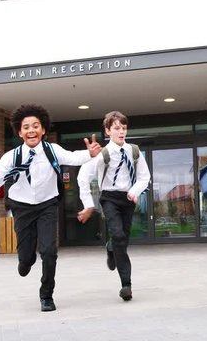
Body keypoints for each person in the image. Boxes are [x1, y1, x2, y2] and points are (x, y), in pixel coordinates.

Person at [0, 104, 101, 312]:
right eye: (26, 127)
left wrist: (89, 154)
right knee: (26, 257)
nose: (31, 130)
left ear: (43, 129)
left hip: (47, 205)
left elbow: (73, 157)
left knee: (49, 251)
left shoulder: (52, 150)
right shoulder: (11, 158)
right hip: (22, 207)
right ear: (20, 132)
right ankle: (25, 261)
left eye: (36, 126)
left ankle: (46, 295)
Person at [77, 111, 150, 301]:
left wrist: (135, 191)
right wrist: (88, 204)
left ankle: (111, 248)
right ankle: (126, 285)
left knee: (122, 240)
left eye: (124, 128)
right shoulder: (103, 154)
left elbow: (144, 177)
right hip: (109, 198)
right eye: (117, 128)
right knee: (118, 234)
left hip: (128, 198)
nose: (121, 132)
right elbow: (83, 176)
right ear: (108, 131)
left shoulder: (134, 151)